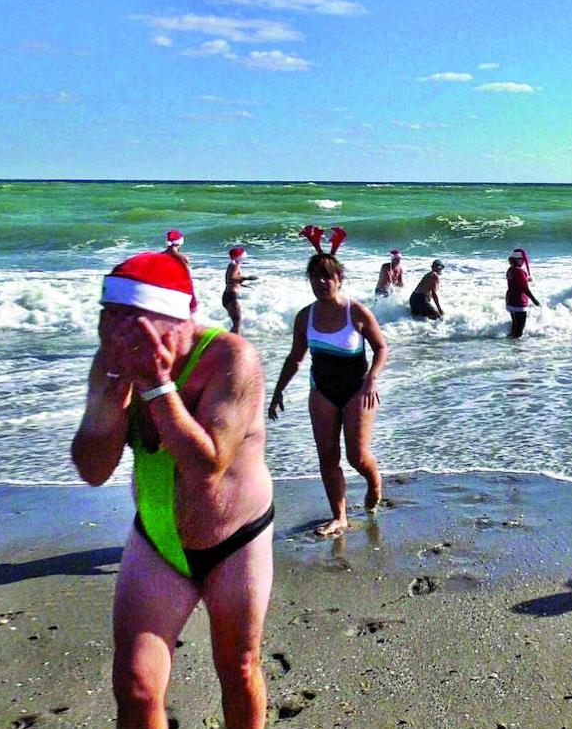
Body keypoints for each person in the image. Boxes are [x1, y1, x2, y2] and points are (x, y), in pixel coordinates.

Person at [70, 250, 273, 729]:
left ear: (182, 317)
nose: (125, 338)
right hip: (159, 535)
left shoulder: (231, 359)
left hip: (236, 538)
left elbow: (206, 464)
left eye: (138, 326)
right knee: (136, 686)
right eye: (112, 322)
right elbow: (93, 469)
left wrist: (158, 384)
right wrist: (119, 383)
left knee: (238, 668)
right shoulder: (114, 362)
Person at [270, 225, 389, 537]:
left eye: (327, 277)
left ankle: (374, 482)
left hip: (357, 389)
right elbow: (296, 357)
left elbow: (381, 348)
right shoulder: (304, 317)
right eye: (316, 277)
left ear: (339, 280)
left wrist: (372, 379)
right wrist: (278, 391)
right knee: (327, 457)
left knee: (357, 457)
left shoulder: (356, 312)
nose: (321, 283)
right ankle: (339, 516)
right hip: (321, 390)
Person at [222, 246, 257, 336]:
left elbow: (229, 280)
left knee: (236, 322)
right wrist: (247, 278)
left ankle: (230, 340)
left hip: (228, 295)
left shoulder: (232, 265)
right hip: (231, 295)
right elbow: (231, 279)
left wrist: (243, 285)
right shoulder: (235, 265)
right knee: (238, 322)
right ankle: (234, 342)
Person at [506, 248, 541, 338]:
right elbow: (524, 288)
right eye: (522, 260)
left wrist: (526, 279)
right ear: (516, 260)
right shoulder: (520, 271)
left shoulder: (510, 270)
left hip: (510, 300)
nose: (523, 262)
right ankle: (517, 349)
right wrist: (534, 300)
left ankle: (510, 344)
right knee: (520, 328)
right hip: (519, 302)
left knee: (514, 325)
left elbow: (516, 282)